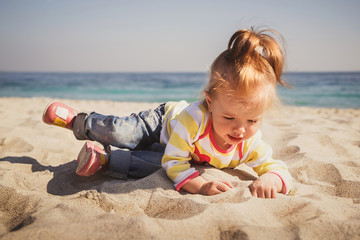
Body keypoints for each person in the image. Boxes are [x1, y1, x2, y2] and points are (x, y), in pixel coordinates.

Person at [42, 27, 293, 198]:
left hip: (178, 151)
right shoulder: (193, 120)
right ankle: (80, 121)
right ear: (210, 102)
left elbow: (279, 169)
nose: (241, 129)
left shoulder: (250, 142)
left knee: (155, 166)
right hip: (163, 123)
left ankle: (105, 159)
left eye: (253, 120)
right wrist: (202, 185)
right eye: (229, 118)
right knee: (125, 133)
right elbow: (177, 162)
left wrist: (272, 179)